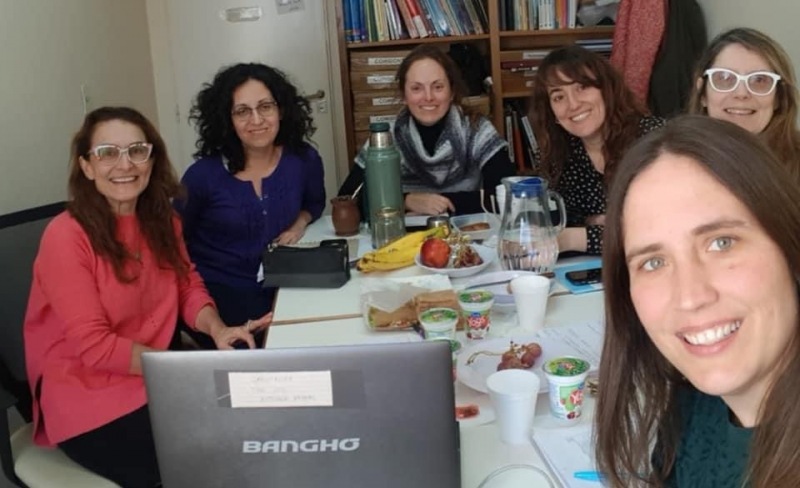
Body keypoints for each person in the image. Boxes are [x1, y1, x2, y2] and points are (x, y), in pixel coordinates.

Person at [23, 107, 270, 487]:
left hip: (154, 376)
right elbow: (96, 348)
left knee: (264, 425)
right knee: (217, 457)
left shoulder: (162, 221)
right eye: (107, 152)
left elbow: (187, 284)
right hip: (88, 396)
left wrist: (217, 329)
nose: (125, 164)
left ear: (152, 160)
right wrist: (185, 373)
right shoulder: (66, 236)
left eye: (137, 150)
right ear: (87, 166)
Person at [595, 115, 800, 487]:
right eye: (654, 262)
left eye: (721, 242)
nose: (690, 296)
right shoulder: (691, 404)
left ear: (790, 248)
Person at [175, 63, 326, 349]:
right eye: (242, 111)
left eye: (265, 106)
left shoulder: (303, 160)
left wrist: (299, 223)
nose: (256, 120)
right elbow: (173, 241)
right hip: (219, 303)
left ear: (281, 110)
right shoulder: (202, 176)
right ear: (227, 120)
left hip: (283, 289)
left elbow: (315, 202)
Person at [337, 44, 513, 216]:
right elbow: (347, 200)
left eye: (438, 87)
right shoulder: (386, 138)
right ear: (404, 95)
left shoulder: (477, 131)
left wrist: (438, 203)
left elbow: (507, 195)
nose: (428, 97)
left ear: (451, 92)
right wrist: (406, 201)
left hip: (465, 236)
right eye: (416, 88)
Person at [529, 45, 665, 255]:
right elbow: (552, 222)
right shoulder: (556, 154)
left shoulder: (653, 140)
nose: (573, 104)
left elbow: (662, 229)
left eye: (582, 87)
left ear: (606, 89)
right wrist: (598, 223)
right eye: (558, 97)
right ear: (551, 111)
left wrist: (574, 238)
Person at [687, 27, 800, 181]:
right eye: (725, 78)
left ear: (779, 98)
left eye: (759, 80)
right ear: (703, 94)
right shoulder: (675, 161)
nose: (741, 93)